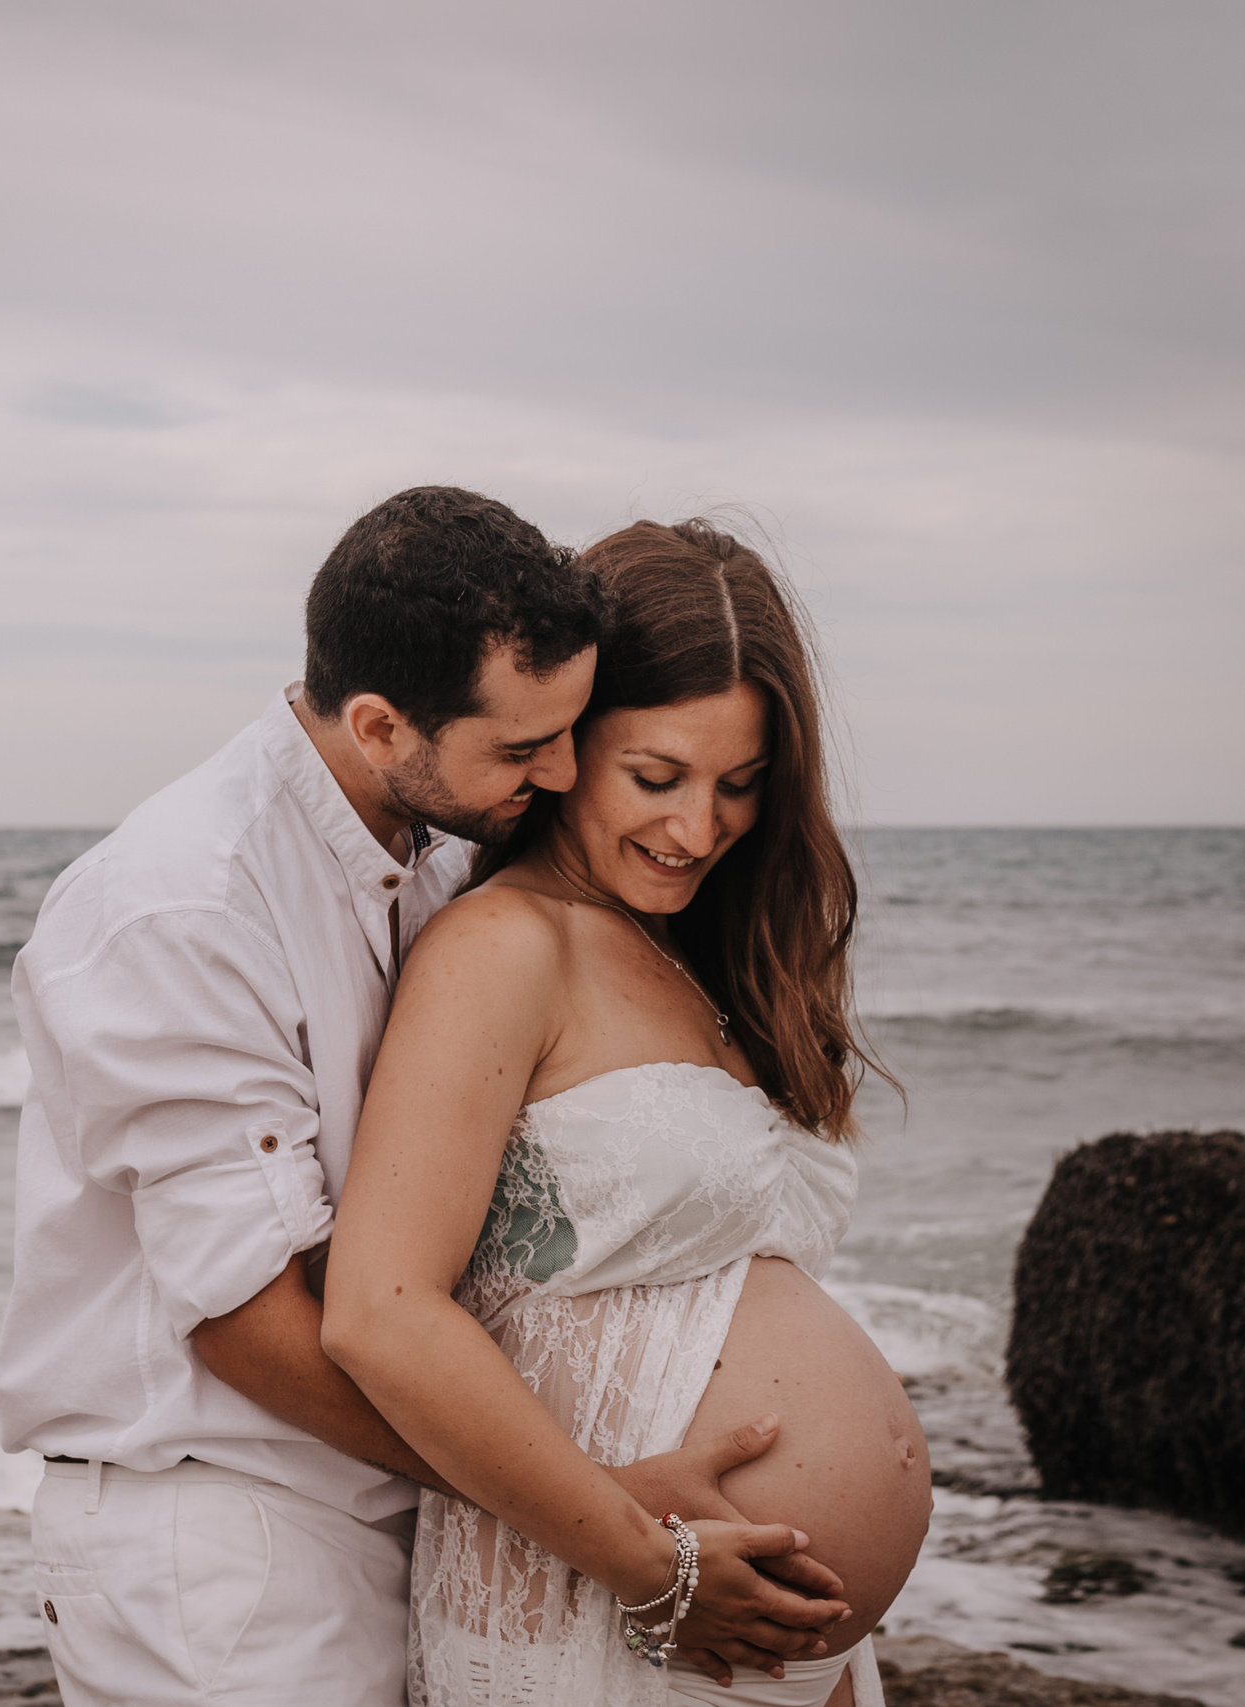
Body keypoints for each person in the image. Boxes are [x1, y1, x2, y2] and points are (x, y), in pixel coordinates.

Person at [0, 490, 852, 1707]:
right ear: (381, 723)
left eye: (568, 737)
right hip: (226, 1539)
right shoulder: (182, 904)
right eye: (521, 750)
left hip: (413, 1518)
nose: (557, 774)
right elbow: (247, 1318)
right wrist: (603, 1515)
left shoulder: (440, 852)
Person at [322, 519, 933, 1706]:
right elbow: (381, 1312)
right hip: (601, 1605)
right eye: (655, 778)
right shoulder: (503, 949)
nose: (697, 829)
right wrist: (644, 1568)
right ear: (564, 748)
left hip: (758, 1644)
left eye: (740, 785)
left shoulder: (701, 962)